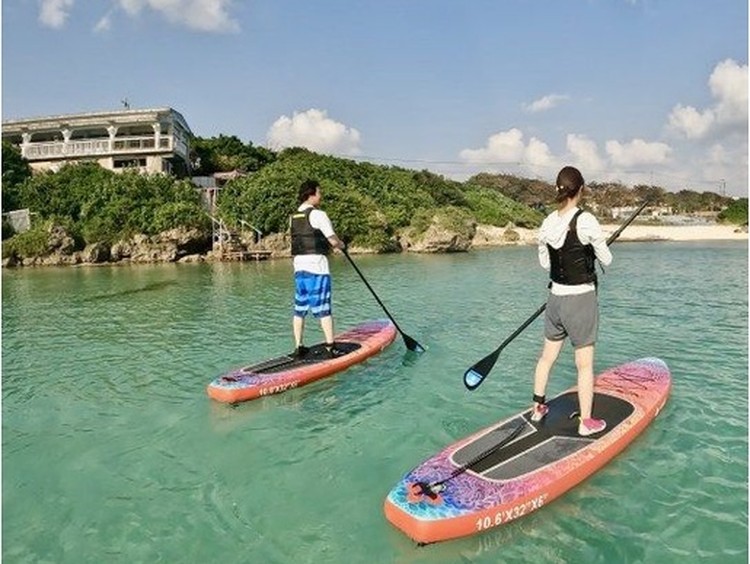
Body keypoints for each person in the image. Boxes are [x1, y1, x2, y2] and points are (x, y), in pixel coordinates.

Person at [530, 166, 612, 437]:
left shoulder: (547, 222)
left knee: (546, 358)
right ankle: (586, 422)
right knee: (584, 365)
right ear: (581, 189)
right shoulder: (586, 220)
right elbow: (607, 259)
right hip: (580, 300)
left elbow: (546, 264)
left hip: (555, 300)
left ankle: (538, 408)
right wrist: (592, 251)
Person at [290, 179, 347, 359]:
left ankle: (299, 346)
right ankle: (330, 347)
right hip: (317, 267)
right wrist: (342, 245)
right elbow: (332, 240)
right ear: (311, 194)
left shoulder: (293, 217)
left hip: (299, 267)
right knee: (323, 307)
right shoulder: (319, 214)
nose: (320, 196)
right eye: (319, 192)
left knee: (300, 308)